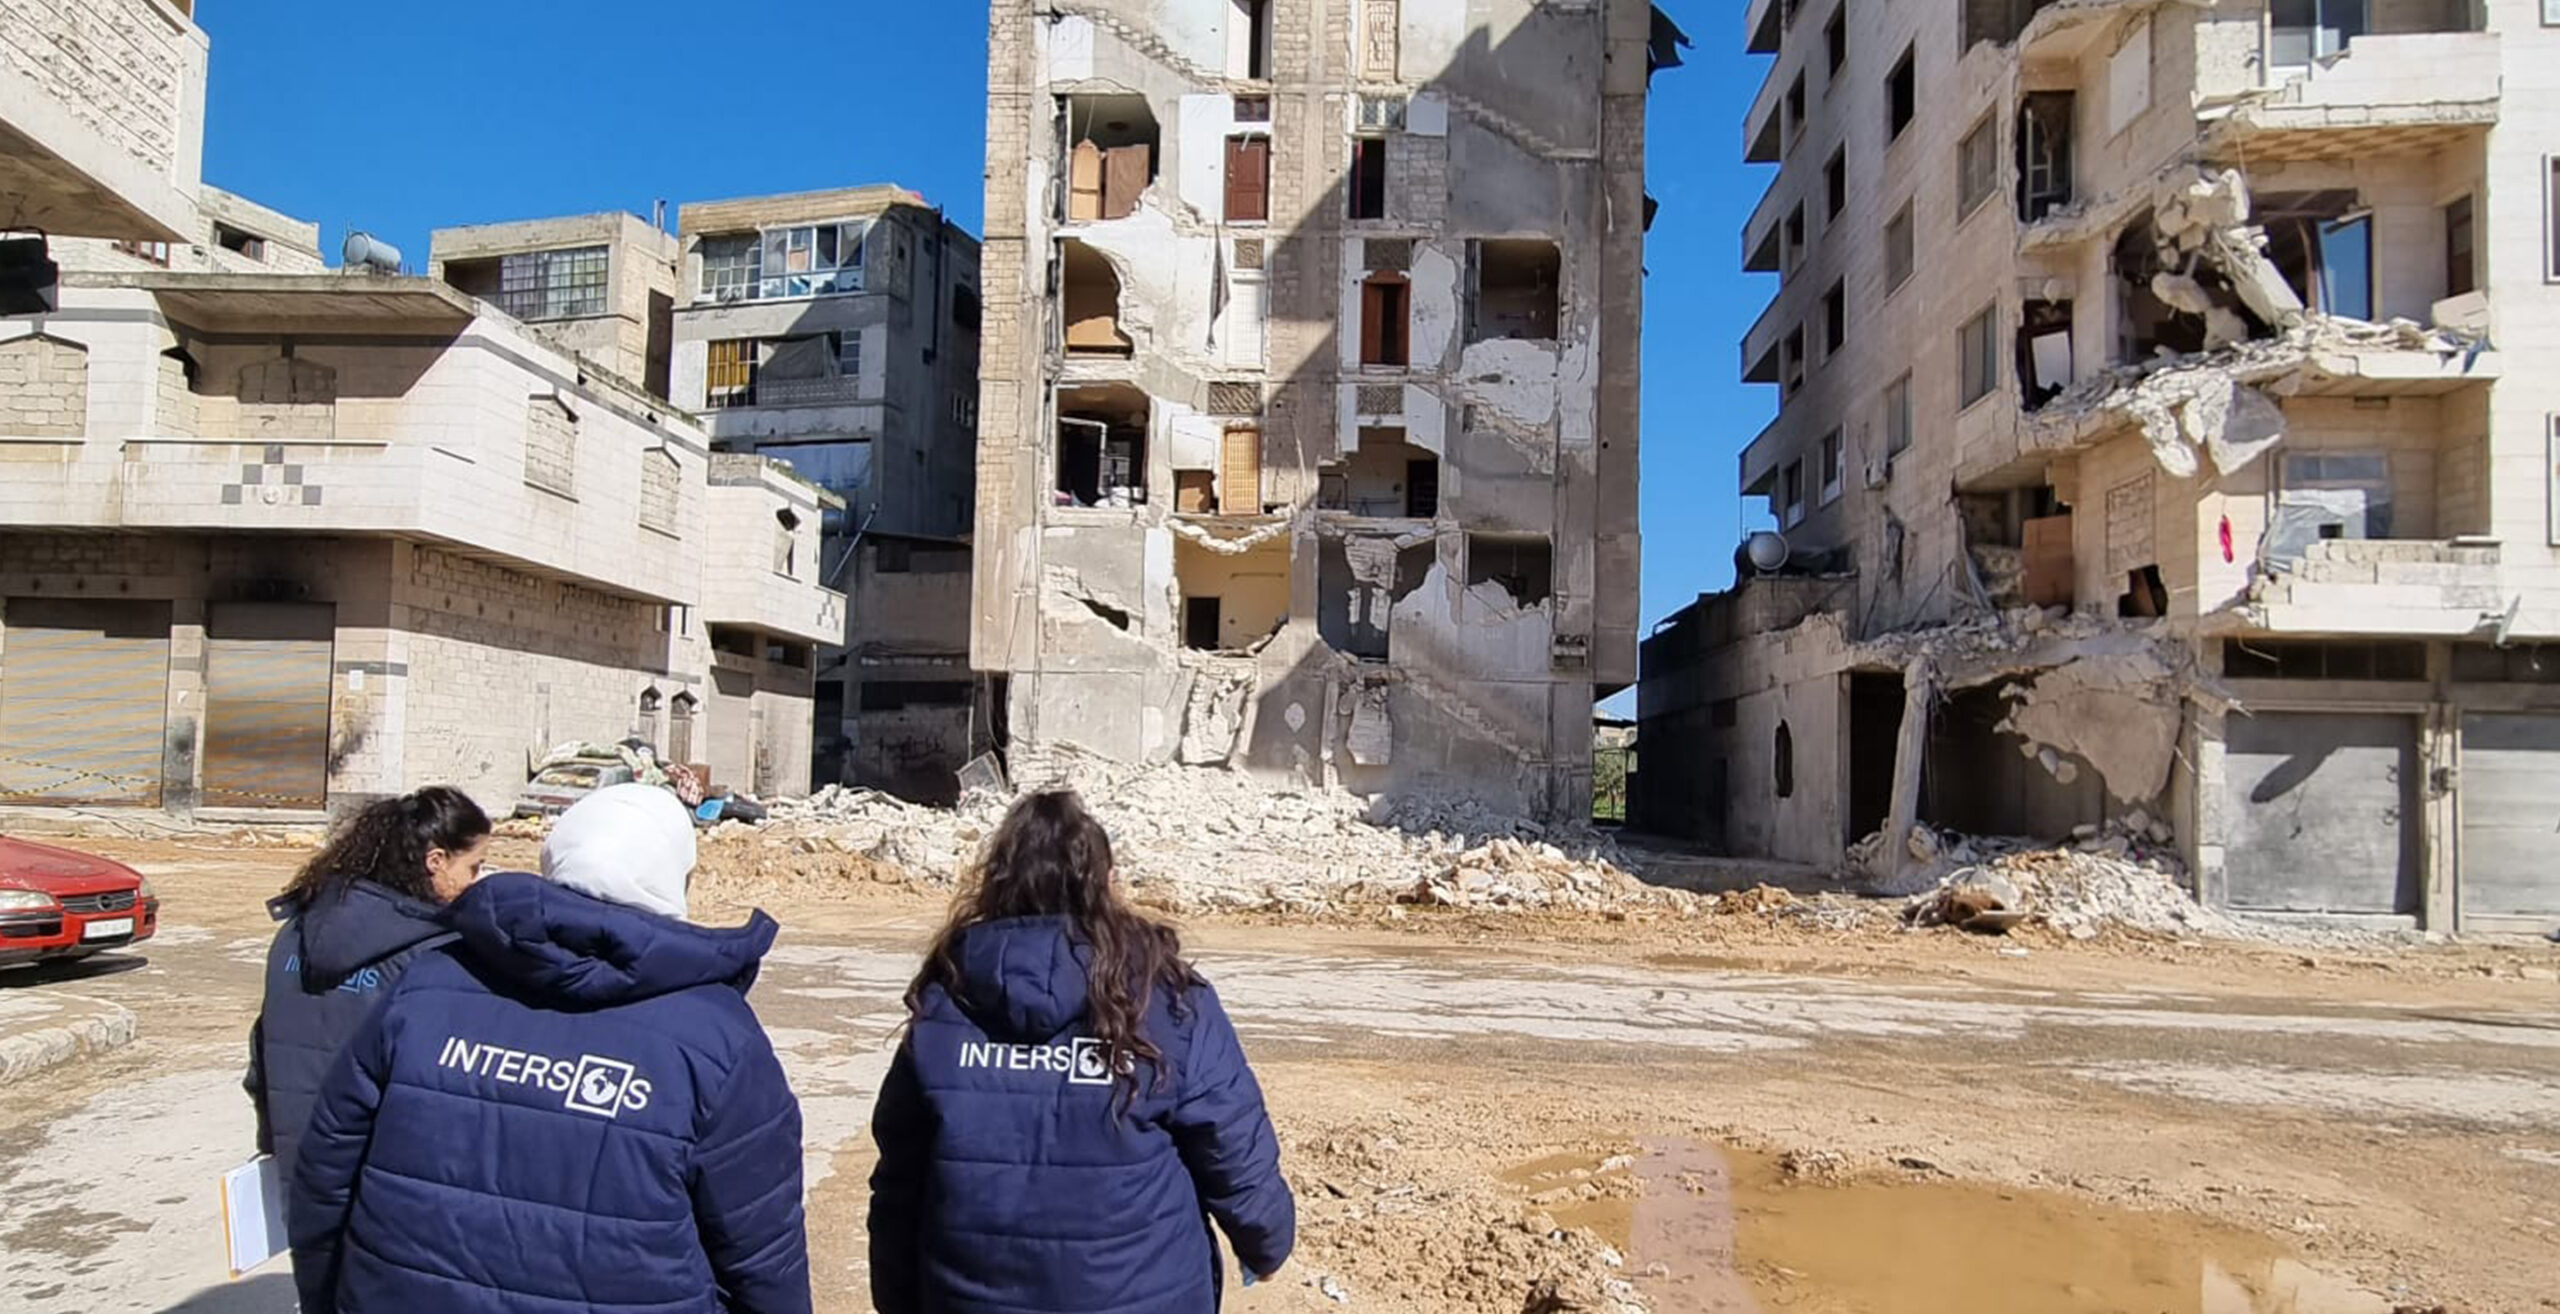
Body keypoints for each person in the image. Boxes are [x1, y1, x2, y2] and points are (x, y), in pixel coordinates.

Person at [287, 783, 809, 1314]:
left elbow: (325, 1177)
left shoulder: (427, 985)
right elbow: (764, 1250)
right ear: (677, 878)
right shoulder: (718, 1037)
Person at [868, 791, 1295, 1314]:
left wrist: (897, 1296)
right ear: (1107, 884)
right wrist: (1265, 1242)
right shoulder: (1166, 999)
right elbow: (1231, 1142)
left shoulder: (946, 1002)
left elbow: (899, 1179)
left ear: (997, 884)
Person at [246, 786, 491, 1178]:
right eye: (474, 867)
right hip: (390, 1181)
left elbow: (261, 1062)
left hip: (301, 1174)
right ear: (436, 861)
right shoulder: (433, 956)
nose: (475, 882)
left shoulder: (293, 934)